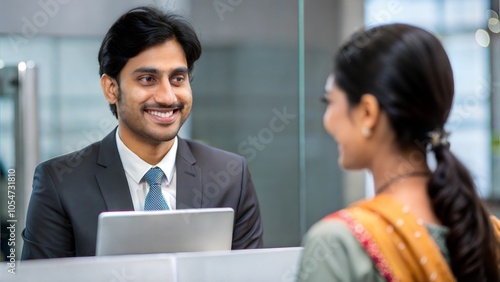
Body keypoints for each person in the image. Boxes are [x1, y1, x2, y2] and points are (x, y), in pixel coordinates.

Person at [21, 6, 263, 260]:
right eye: (148, 79)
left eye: (178, 78)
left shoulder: (231, 176)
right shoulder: (61, 184)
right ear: (111, 88)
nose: (167, 96)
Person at [297, 23, 500, 281]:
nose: (327, 121)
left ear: (367, 113)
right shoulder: (487, 234)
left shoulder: (339, 246)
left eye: (330, 102)